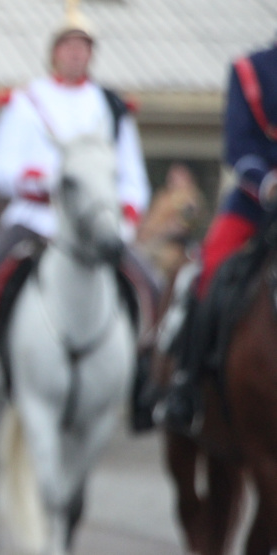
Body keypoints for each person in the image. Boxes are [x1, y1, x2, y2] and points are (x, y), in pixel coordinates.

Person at [0, 8, 154, 411]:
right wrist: (45, 181)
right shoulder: (26, 102)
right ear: (55, 53)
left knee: (151, 285)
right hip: (36, 218)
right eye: (69, 46)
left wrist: (122, 221)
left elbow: (132, 177)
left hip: (97, 224)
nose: (76, 54)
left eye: (83, 47)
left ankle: (143, 379)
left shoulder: (111, 106)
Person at [160, 39, 277, 434]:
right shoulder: (251, 69)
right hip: (256, 202)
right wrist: (267, 183)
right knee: (205, 273)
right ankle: (186, 385)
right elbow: (239, 145)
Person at [135, 163, 207, 282]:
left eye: (177, 176)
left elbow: (183, 226)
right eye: (171, 176)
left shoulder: (190, 197)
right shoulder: (163, 195)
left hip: (170, 250)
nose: (172, 179)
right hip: (146, 245)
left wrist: (155, 239)